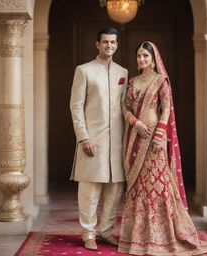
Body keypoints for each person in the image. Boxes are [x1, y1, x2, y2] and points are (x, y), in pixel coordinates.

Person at [118, 41, 207, 255]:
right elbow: (126, 107)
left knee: (158, 185)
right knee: (139, 186)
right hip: (135, 138)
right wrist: (135, 123)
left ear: (154, 58)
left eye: (145, 56)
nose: (141, 60)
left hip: (154, 138)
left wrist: (159, 134)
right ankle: (138, 238)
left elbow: (166, 108)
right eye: (139, 56)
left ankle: (163, 236)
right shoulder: (133, 81)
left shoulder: (160, 81)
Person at [70, 27, 128, 251]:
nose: (109, 46)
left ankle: (105, 232)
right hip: (92, 141)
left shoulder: (123, 72)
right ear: (97, 44)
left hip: (117, 143)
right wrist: (83, 138)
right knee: (89, 192)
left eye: (113, 42)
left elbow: (125, 107)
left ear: (117, 44)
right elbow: (75, 107)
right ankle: (88, 234)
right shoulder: (84, 71)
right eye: (105, 42)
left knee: (114, 192)